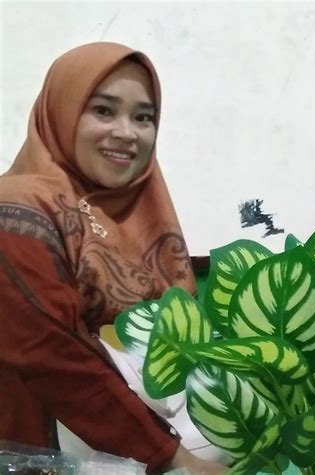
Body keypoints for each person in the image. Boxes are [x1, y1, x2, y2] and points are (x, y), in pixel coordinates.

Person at [0, 42, 227, 474]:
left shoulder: (144, 211)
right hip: (40, 452)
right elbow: (51, 356)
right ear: (62, 112)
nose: (127, 132)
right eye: (103, 111)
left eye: (143, 117)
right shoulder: (17, 211)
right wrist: (176, 459)